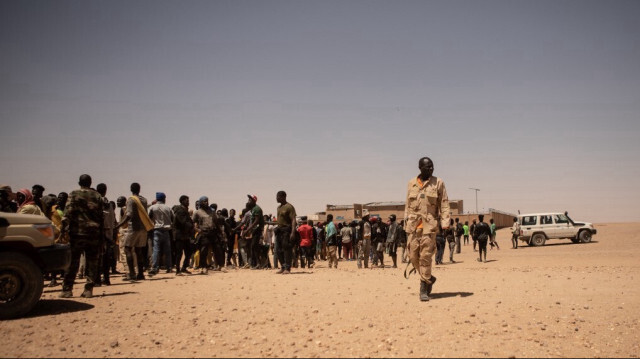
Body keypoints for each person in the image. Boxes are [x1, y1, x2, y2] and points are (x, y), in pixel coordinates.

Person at [404, 156, 450, 301]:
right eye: (427, 167)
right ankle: (429, 277)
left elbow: (444, 204)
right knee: (412, 257)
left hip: (429, 227)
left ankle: (423, 289)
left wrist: (445, 223)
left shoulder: (438, 183)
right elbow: (407, 205)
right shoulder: (411, 183)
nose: (431, 169)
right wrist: (406, 223)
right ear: (420, 168)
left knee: (425, 257)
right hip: (413, 227)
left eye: (432, 166)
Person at [60, 174, 104, 298]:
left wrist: (63, 231)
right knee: (92, 262)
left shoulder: (74, 194)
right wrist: (102, 236)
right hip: (94, 234)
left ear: (79, 182)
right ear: (91, 183)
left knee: (73, 262)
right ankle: (88, 290)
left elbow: (67, 213)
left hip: (77, 233)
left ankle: (67, 289)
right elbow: (101, 217)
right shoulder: (98, 196)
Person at [115, 182, 153, 281]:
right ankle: (140, 274)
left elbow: (129, 214)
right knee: (139, 251)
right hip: (143, 228)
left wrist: (119, 225)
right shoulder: (144, 200)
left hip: (133, 228)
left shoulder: (131, 200)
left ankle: (131, 274)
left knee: (127, 249)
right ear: (139, 189)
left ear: (131, 189)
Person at [148, 192, 174, 275]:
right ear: (164, 199)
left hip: (156, 230)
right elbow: (173, 218)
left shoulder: (152, 208)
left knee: (156, 250)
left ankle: (155, 267)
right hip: (166, 231)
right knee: (168, 250)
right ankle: (169, 267)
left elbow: (149, 217)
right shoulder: (168, 208)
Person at [192, 196, 219, 274]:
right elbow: (193, 223)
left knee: (217, 249)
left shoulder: (212, 211)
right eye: (204, 201)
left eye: (207, 201)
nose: (206, 202)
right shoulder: (197, 212)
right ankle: (203, 266)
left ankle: (221, 265)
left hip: (212, 232)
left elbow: (216, 222)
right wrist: (198, 230)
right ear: (201, 202)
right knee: (204, 250)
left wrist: (220, 232)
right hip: (204, 233)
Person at [96, 183, 115, 286]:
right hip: (108, 234)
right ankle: (106, 279)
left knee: (98, 257)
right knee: (106, 258)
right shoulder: (109, 204)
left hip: (99, 233)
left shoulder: (96, 202)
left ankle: (98, 279)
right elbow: (112, 220)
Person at [273, 191, 296, 274]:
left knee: (286, 249)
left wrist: (293, 232)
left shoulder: (289, 207)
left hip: (286, 230)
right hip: (279, 230)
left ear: (283, 197)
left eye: (278, 196)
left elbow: (293, 220)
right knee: (278, 250)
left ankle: (287, 268)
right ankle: (283, 266)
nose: (276, 198)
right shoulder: (278, 208)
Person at [172, 195, 194, 274]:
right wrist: (192, 227)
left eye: (188, 200)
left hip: (185, 235)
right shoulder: (180, 211)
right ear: (182, 201)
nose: (188, 202)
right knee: (179, 253)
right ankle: (178, 270)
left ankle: (184, 268)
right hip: (179, 235)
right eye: (186, 200)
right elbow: (183, 222)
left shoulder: (184, 210)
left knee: (188, 252)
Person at [244, 194, 266, 270]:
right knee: (254, 247)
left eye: (250, 200)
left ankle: (259, 263)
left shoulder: (257, 209)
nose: (248, 201)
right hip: (254, 230)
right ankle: (258, 263)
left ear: (253, 201)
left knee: (254, 246)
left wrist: (247, 230)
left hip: (257, 230)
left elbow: (256, 221)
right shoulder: (253, 209)